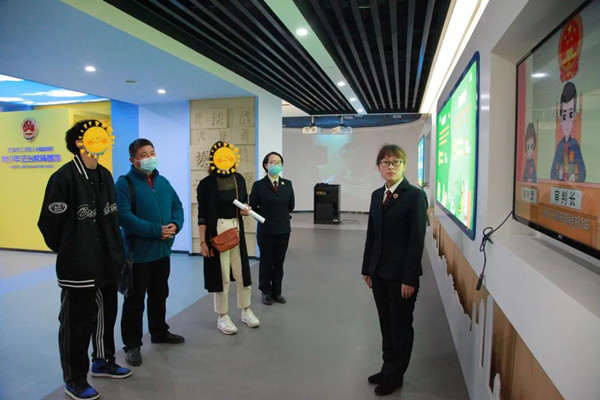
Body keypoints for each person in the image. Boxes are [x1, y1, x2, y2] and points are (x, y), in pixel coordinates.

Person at [38, 119, 131, 400]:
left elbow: (111, 219)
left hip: (107, 263)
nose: (101, 138)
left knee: (106, 314)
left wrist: (117, 256)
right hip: (78, 267)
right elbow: (49, 226)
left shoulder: (105, 175)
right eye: (94, 135)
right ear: (80, 142)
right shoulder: (63, 179)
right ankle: (74, 379)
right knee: (76, 323)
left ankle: (103, 361)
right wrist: (72, 251)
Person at [361, 144, 427, 396]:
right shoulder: (377, 195)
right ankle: (387, 367)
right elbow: (372, 234)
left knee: (400, 327)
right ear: (378, 167)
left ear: (404, 166)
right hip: (379, 273)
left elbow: (416, 240)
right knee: (386, 324)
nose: (390, 167)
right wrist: (367, 268)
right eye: (385, 162)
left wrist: (409, 278)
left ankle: (395, 376)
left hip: (401, 277)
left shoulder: (415, 196)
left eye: (395, 162)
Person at [115, 138, 185, 367]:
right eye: (144, 155)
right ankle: (132, 345)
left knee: (159, 294)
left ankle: (159, 331)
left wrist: (175, 225)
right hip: (138, 255)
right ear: (133, 160)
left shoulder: (162, 182)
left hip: (162, 253)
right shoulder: (124, 184)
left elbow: (177, 206)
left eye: (152, 153)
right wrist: (156, 230)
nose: (150, 158)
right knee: (134, 301)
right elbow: (124, 216)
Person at [196, 141, 260, 335]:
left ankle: (246, 309)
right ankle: (222, 315)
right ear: (213, 159)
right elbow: (202, 215)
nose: (225, 160)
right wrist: (202, 241)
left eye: (228, 156)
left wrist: (246, 209)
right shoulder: (206, 184)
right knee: (221, 274)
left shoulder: (238, 179)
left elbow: (244, 203)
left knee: (242, 273)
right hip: (216, 232)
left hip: (236, 229)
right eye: (221, 156)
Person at [249, 152, 295, 305]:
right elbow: (252, 206)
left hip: (283, 230)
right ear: (266, 165)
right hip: (266, 230)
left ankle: (277, 291)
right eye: (272, 162)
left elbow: (291, 205)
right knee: (266, 261)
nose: (276, 165)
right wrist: (264, 218)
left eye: (279, 162)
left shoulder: (287, 184)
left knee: (279, 261)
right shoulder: (259, 185)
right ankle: (265, 291)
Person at [550, 81, 585, 182]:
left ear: (574, 117)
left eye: (571, 115)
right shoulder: (560, 146)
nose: (567, 122)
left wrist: (575, 177)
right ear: (560, 119)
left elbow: (583, 171)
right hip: (560, 187)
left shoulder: (574, 144)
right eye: (565, 116)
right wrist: (559, 175)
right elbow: (552, 172)